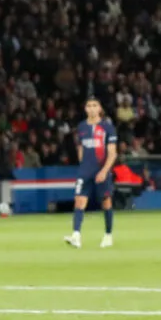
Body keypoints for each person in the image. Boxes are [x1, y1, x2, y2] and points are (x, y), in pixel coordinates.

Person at [64, 98, 117, 248]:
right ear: (85, 109)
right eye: (89, 105)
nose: (92, 108)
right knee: (79, 201)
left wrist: (104, 171)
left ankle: (108, 235)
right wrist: (84, 166)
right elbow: (81, 149)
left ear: (100, 108)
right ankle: (76, 235)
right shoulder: (81, 127)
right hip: (85, 171)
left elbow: (112, 153)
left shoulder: (107, 128)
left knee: (106, 202)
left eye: (95, 105)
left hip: (102, 171)